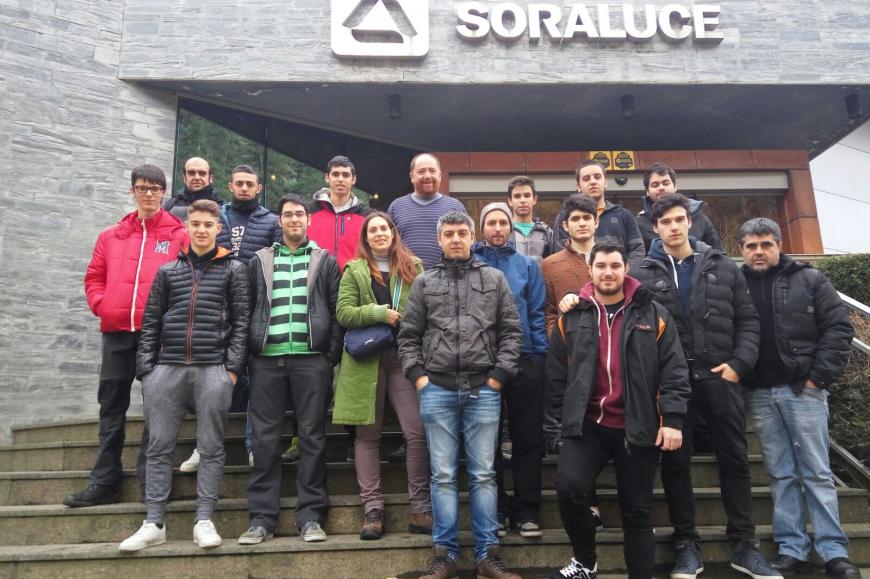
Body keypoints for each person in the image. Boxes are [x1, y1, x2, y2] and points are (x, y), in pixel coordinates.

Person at [631, 195, 778, 579]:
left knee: (734, 459)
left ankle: (745, 543)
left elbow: (748, 320)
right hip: (673, 384)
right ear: (656, 228)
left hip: (720, 378)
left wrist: (739, 364)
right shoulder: (641, 272)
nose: (674, 226)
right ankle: (686, 543)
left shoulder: (722, 265)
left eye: (680, 219)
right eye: (666, 221)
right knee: (675, 464)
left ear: (690, 222)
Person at [547, 240, 690, 579]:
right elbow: (555, 375)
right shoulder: (573, 316)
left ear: (626, 268)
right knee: (569, 489)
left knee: (637, 510)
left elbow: (674, 368)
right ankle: (585, 563)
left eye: (614, 265)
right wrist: (554, 427)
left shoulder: (653, 313)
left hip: (637, 425)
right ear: (590, 270)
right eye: (601, 266)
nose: (608, 272)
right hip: (587, 426)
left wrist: (672, 419)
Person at [398, 211, 524, 579]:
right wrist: (420, 378)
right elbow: (408, 336)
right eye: (449, 233)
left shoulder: (494, 279)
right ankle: (445, 556)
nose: (456, 239)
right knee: (442, 476)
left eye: (462, 233)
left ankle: (488, 556)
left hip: (484, 388)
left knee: (484, 474)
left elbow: (511, 332)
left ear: (472, 237)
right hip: (436, 389)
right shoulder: (424, 282)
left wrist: (499, 377)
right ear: (439, 240)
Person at [119, 199, 249, 552]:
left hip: (213, 369)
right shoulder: (167, 272)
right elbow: (151, 322)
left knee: (211, 448)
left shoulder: (235, 270)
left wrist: (231, 370)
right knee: (159, 447)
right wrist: (147, 371)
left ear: (218, 228)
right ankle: (154, 522)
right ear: (187, 227)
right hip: (167, 370)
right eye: (196, 224)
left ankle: (204, 519)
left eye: (208, 224)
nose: (202, 230)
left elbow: (241, 323)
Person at [739, 218, 860, 578]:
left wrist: (817, 378)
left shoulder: (810, 279)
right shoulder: (737, 284)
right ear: (741, 250)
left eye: (766, 244)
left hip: (803, 390)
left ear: (779, 245)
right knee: (780, 473)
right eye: (751, 246)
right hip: (760, 393)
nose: (759, 251)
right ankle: (792, 548)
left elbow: (839, 328)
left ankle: (834, 552)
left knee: (817, 472)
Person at [64, 164, 188, 508]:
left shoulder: (179, 235)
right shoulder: (111, 236)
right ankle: (105, 480)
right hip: (116, 332)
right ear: (133, 191)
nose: (148, 194)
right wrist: (103, 305)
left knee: (157, 409)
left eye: (155, 188)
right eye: (142, 188)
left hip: (158, 336)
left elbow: (188, 282)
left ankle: (152, 480)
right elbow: (94, 277)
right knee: (111, 407)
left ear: (164, 193)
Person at [241, 193, 342, 545]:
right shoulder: (260, 260)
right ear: (279, 220)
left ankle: (311, 516)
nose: (294, 219)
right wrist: (250, 354)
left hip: (311, 360)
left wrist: (328, 356)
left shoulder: (325, 260)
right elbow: (247, 308)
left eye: (300, 214)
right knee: (265, 440)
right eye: (288, 214)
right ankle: (261, 519)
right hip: (266, 361)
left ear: (308, 220)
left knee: (312, 438)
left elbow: (336, 310)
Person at [332, 211, 432, 540]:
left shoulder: (413, 267)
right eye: (372, 230)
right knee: (367, 436)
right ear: (366, 237)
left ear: (393, 233)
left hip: (404, 359)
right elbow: (344, 313)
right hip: (366, 362)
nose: (379, 234)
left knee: (416, 432)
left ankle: (420, 508)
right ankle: (372, 510)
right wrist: (379, 313)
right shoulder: (355, 269)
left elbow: (428, 310)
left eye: (384, 228)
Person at [179, 164, 281, 472]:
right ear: (231, 185)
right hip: (217, 307)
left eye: (250, 183)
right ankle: (204, 446)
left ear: (259, 188)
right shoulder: (217, 217)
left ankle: (253, 446)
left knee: (258, 381)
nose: (245, 188)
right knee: (213, 380)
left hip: (258, 308)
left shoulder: (271, 221)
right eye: (240, 183)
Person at [472, 202, 548, 538]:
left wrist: (540, 354)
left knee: (527, 438)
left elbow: (537, 311)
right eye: (491, 223)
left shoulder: (527, 265)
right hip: (482, 363)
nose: (498, 228)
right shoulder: (471, 264)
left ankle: (527, 510)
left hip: (525, 358)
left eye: (503, 222)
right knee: (487, 441)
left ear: (511, 228)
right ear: (482, 228)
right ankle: (497, 511)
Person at [551, 160, 644, 268]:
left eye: (597, 177)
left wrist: (623, 272)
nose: (593, 182)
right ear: (578, 186)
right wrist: (587, 273)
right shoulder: (565, 216)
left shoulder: (624, 215)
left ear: (605, 182)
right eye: (586, 179)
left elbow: (638, 250)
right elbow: (561, 251)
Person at [388, 153, 467, 270]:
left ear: (440, 175)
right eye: (421, 172)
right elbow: (388, 246)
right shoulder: (396, 207)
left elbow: (466, 246)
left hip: (447, 277)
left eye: (432, 171)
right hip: (406, 277)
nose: (428, 176)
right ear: (412, 177)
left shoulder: (455, 207)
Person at [636, 163, 723, 253]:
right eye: (655, 185)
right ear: (647, 191)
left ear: (675, 186)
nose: (661, 188)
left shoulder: (698, 216)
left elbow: (717, 253)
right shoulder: (639, 224)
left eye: (666, 183)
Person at [541, 194, 597, 334]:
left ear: (596, 222)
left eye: (587, 218)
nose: (582, 223)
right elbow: (548, 313)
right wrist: (558, 341)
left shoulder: (613, 260)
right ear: (565, 225)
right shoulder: (549, 264)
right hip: (569, 343)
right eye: (575, 219)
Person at [308, 155, 373, 270]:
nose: (340, 179)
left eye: (346, 175)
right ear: (327, 177)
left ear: (354, 179)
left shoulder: (367, 216)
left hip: (353, 280)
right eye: (335, 174)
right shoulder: (309, 211)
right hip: (316, 278)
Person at [506, 175, 553, 262]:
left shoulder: (546, 232)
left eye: (527, 195)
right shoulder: (504, 231)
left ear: (534, 199)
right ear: (510, 201)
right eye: (517, 196)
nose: (522, 200)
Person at [162, 157, 222, 221]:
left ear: (210, 178)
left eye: (202, 173)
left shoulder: (222, 209)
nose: (197, 177)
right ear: (184, 178)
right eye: (191, 173)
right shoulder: (170, 206)